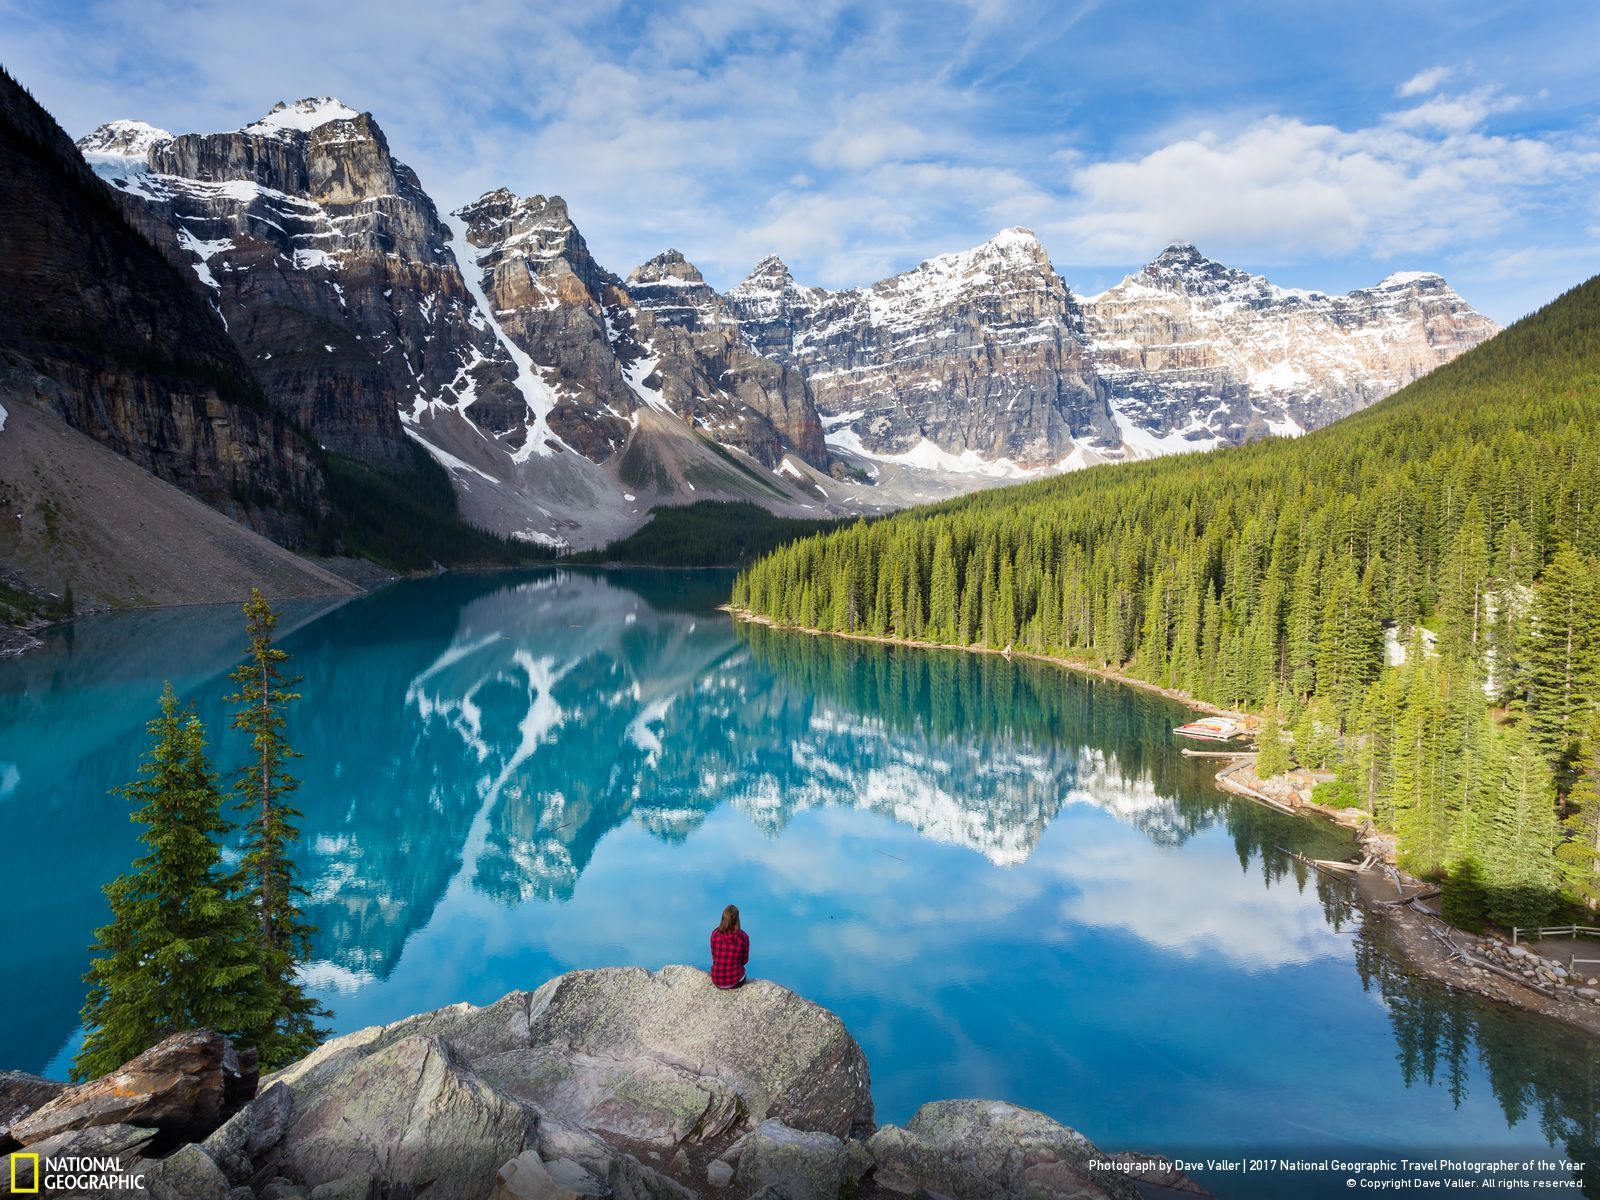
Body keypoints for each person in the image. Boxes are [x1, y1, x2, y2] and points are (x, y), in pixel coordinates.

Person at [709, 904, 749, 989]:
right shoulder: (743, 936)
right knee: (743, 972)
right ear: (737, 919)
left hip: (717, 980)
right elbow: (744, 960)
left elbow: (714, 957)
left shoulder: (715, 934)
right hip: (735, 981)